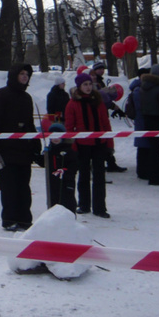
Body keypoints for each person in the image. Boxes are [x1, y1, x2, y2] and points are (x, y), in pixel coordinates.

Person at [0, 63, 43, 231]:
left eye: (27, 74)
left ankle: (24, 219)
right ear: (14, 75)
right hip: (6, 150)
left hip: (24, 150)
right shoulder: (1, 95)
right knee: (9, 187)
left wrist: (35, 146)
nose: (25, 76)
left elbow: (30, 124)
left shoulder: (27, 98)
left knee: (24, 187)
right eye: (22, 73)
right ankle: (9, 219)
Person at [64, 72, 112, 218]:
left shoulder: (98, 101)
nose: (88, 87)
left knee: (99, 176)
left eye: (90, 84)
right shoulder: (72, 103)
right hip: (82, 145)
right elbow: (69, 127)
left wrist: (109, 143)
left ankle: (100, 207)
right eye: (85, 84)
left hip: (99, 144)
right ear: (79, 86)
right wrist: (72, 147)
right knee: (83, 175)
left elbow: (105, 123)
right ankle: (84, 205)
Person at [90, 60, 127, 173]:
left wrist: (116, 108)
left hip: (103, 114)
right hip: (96, 117)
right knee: (101, 141)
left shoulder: (101, 82)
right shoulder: (91, 85)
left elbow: (106, 100)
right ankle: (105, 163)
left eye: (102, 68)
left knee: (106, 139)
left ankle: (110, 162)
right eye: (98, 69)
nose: (101, 70)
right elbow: (101, 98)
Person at [44, 122, 78, 212]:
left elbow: (73, 166)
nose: (55, 139)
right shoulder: (50, 151)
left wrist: (64, 171)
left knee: (67, 202)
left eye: (58, 136)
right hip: (52, 183)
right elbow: (45, 163)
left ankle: (69, 220)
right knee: (53, 201)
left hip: (66, 182)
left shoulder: (68, 150)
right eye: (53, 136)